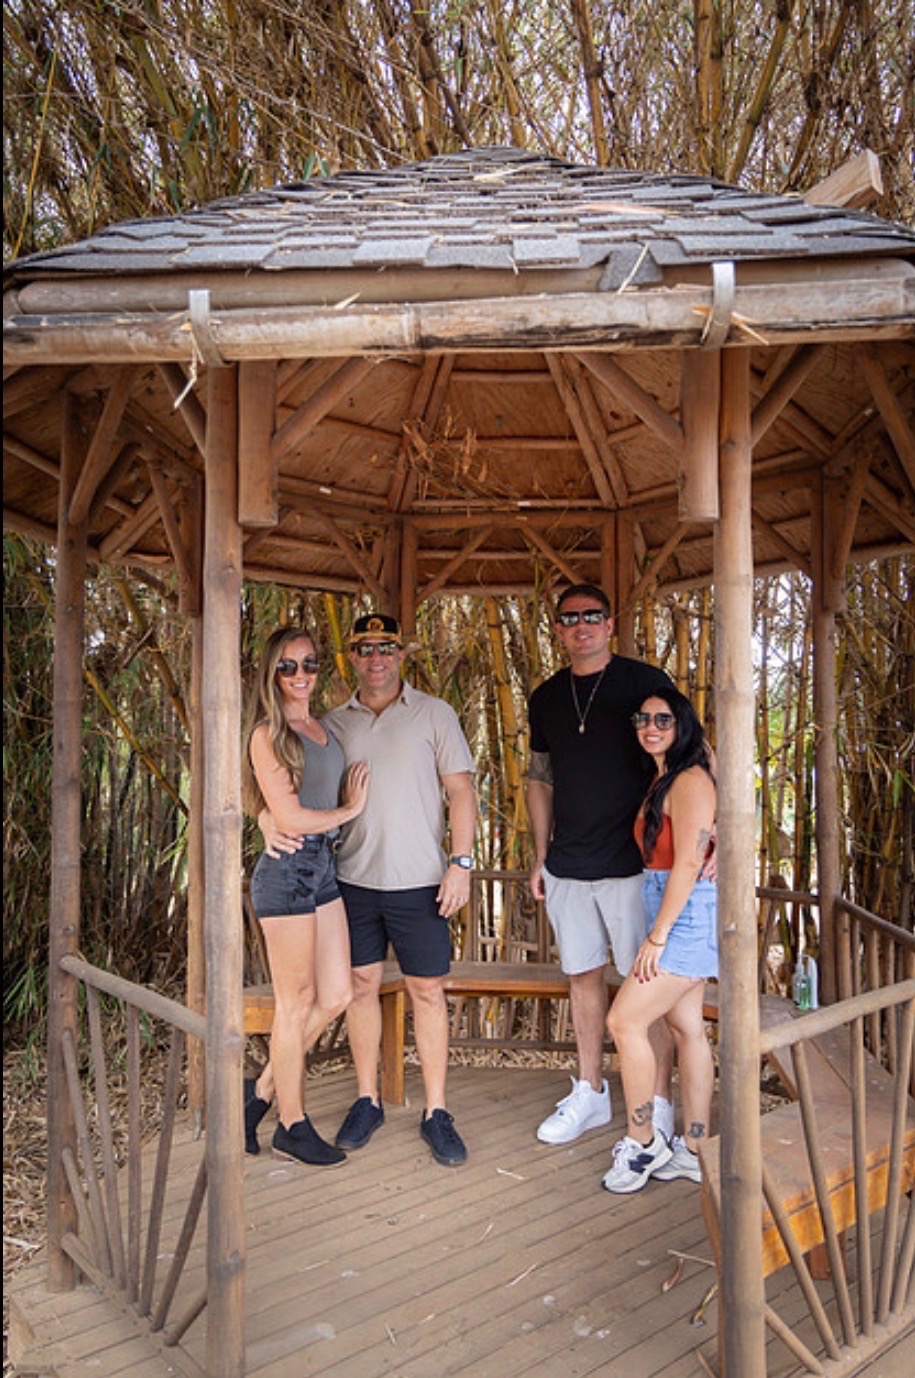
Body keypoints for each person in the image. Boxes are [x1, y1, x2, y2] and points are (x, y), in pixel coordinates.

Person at [260, 613, 477, 1167]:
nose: (376, 657)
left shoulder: (435, 714)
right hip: (349, 879)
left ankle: (436, 1111)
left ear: (401, 653)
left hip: (422, 881)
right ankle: (366, 1098)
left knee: (428, 991)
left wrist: (461, 864)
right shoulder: (331, 722)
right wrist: (266, 817)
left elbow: (461, 793)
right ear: (351, 658)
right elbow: (298, 788)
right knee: (358, 989)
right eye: (364, 649)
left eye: (386, 647)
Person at [526, 583, 679, 1146]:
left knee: (645, 987)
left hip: (634, 864)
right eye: (570, 618)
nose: (582, 625)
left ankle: (659, 1100)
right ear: (558, 628)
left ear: (610, 623)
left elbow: (688, 756)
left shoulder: (643, 683)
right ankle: (590, 1090)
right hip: (568, 864)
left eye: (593, 615)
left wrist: (703, 841)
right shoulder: (546, 697)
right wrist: (541, 855)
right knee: (582, 977)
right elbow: (539, 779)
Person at [241, 626, 370, 1167]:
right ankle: (291, 1126)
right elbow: (290, 815)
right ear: (272, 673)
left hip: (323, 871)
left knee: (337, 994)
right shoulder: (267, 733)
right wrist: (347, 813)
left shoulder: (323, 726)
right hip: (287, 871)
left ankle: (260, 1092)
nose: (300, 675)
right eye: (288, 667)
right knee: (293, 1006)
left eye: (309, 664)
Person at [602, 688, 717, 1192]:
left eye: (664, 720)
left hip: (683, 912)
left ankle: (644, 1139)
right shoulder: (667, 774)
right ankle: (693, 1149)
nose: (651, 726)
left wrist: (657, 935)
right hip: (670, 899)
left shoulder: (690, 779)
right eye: (643, 718)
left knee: (624, 1020)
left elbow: (690, 861)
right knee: (687, 1026)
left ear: (683, 724)